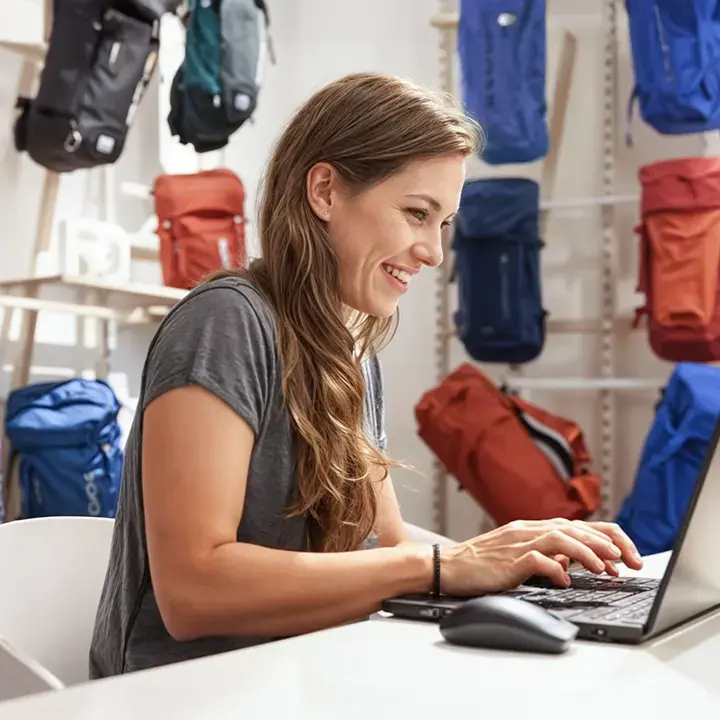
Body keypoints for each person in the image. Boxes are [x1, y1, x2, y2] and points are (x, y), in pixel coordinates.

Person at [89, 72, 643, 678]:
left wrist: (517, 556)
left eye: (443, 223)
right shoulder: (226, 323)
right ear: (325, 191)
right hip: (183, 697)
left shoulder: (350, 348)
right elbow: (194, 592)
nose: (433, 251)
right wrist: (446, 565)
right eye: (415, 213)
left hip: (305, 678)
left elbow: (386, 546)